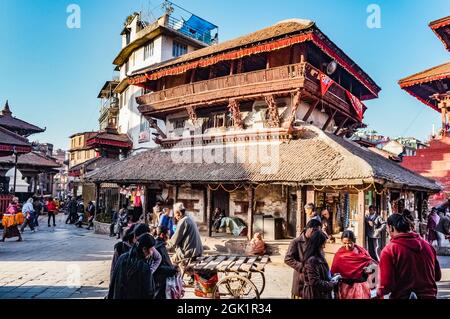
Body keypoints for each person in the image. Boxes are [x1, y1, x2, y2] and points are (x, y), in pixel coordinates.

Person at [377, 213, 441, 299]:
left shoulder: (389, 250)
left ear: (391, 228)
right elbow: (437, 276)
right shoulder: (428, 246)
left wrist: (378, 291)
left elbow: (386, 285)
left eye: (387, 228)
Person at [108, 233, 157, 299]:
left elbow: (113, 282)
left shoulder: (122, 257)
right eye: (151, 249)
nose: (152, 252)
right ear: (144, 249)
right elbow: (149, 292)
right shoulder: (144, 267)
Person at [331, 230, 376, 299]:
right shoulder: (339, 255)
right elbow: (334, 272)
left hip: (361, 287)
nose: (347, 246)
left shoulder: (362, 252)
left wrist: (368, 270)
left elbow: (371, 264)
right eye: (344, 243)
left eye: (349, 243)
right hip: (346, 288)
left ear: (354, 241)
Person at [284, 219, 322, 299]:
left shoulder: (315, 242)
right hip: (300, 280)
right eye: (316, 231)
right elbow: (287, 259)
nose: (317, 234)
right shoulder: (296, 242)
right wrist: (302, 267)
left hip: (313, 281)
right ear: (310, 229)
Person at [302, 231, 340, 299]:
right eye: (323, 244)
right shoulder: (312, 261)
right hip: (314, 294)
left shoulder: (319, 256)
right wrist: (332, 284)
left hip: (322, 293)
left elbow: (323, 274)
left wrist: (332, 276)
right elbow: (315, 282)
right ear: (317, 244)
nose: (324, 247)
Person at [154, 226, 178, 299]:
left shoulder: (160, 245)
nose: (169, 236)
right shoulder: (159, 247)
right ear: (162, 235)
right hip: (160, 280)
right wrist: (172, 270)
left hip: (162, 279)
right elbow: (158, 267)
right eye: (167, 234)